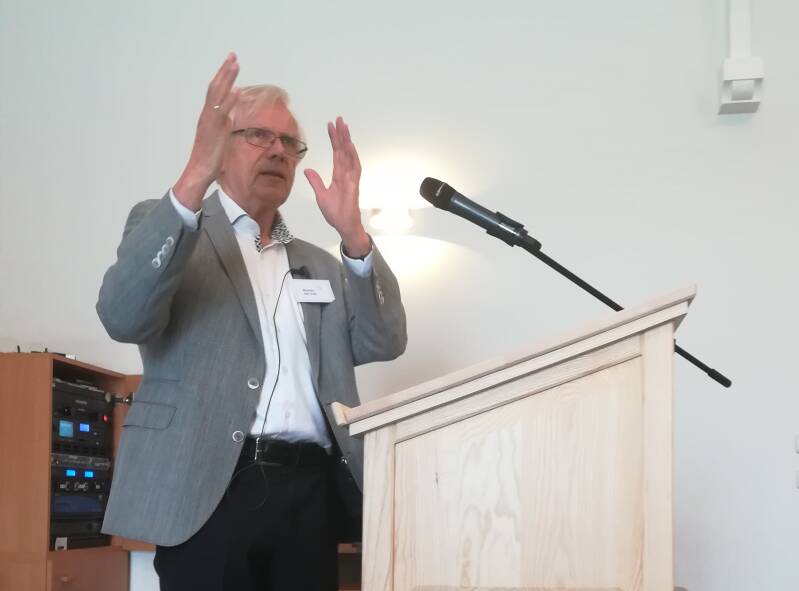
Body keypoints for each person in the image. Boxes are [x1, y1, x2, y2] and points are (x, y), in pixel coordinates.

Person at [96, 52, 407, 590]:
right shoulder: (171, 228)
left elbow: (385, 340)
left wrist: (355, 237)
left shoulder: (322, 265)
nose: (277, 151)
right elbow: (123, 317)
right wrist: (194, 177)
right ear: (219, 147)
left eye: (289, 142)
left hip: (309, 493)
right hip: (207, 488)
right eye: (259, 135)